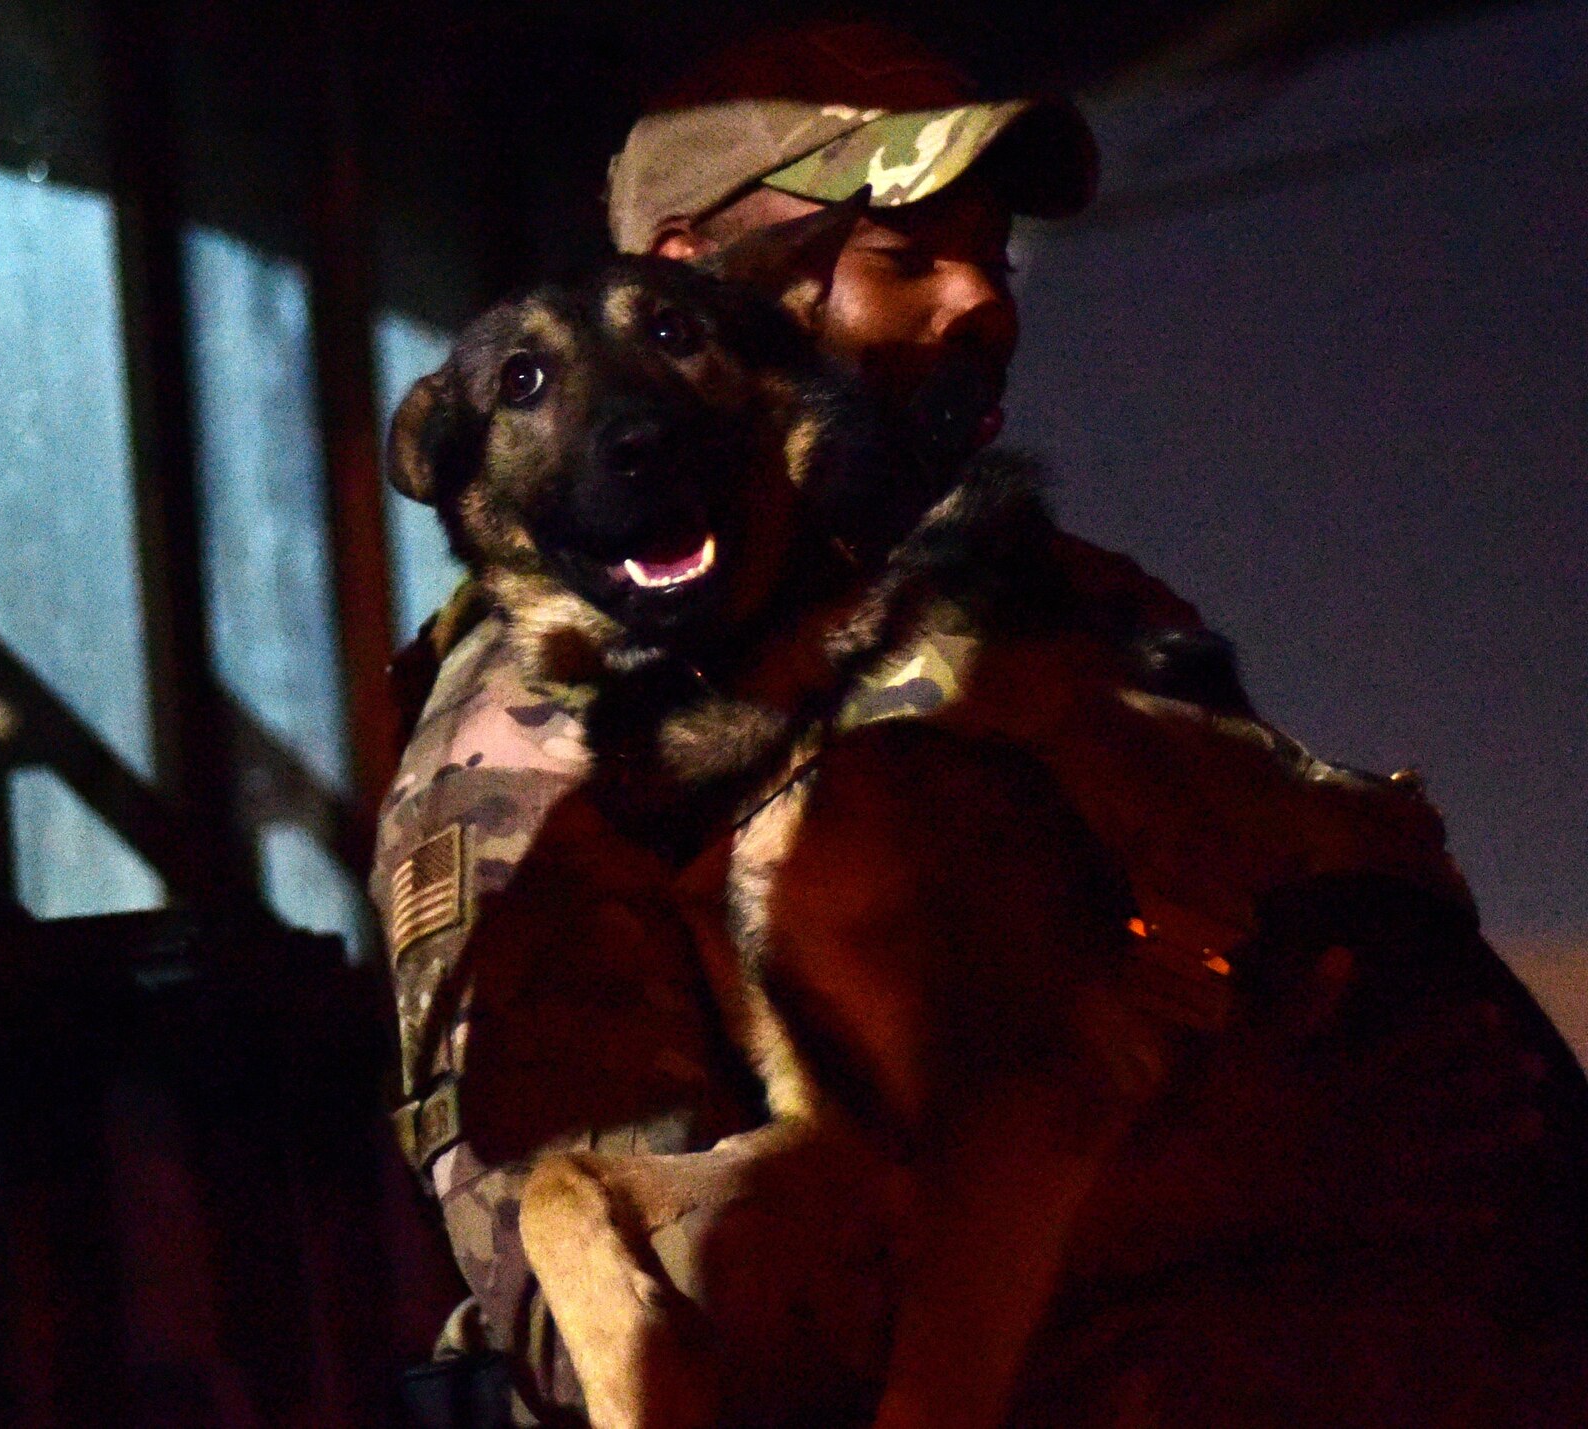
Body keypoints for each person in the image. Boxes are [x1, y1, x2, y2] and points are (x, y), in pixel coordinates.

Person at [373, 22, 1553, 1427]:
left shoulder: (1061, 612)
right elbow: (604, 1332)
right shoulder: (541, 742)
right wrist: (1182, 1174)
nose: (981, 303)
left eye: (993, 256)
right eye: (907, 255)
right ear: (683, 286)